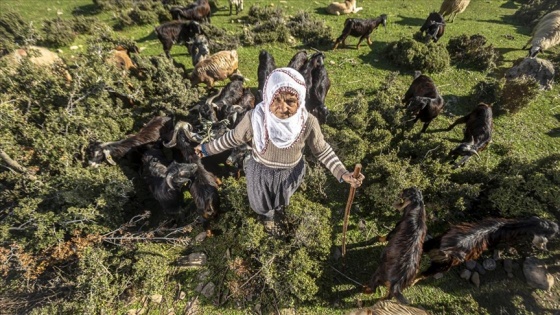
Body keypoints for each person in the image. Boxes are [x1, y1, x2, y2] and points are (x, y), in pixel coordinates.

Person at [195, 67, 365, 234]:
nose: (283, 108)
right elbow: (233, 138)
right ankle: (267, 217)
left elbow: (322, 150)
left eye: (290, 101)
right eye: (276, 100)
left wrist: (343, 174)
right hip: (260, 172)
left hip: (290, 172)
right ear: (268, 97)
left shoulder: (307, 123)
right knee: (260, 203)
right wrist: (207, 149)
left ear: (300, 100)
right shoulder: (255, 118)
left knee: (282, 201)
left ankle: (277, 213)